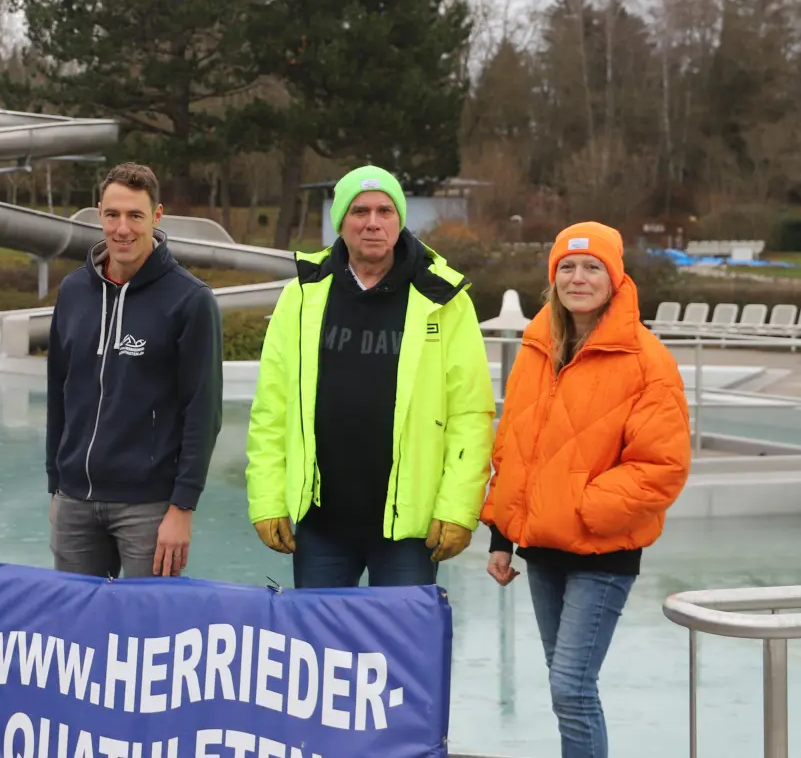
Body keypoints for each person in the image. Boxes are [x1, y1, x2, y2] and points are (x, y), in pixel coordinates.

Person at [481, 222, 691, 758]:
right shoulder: (537, 346)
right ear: (553, 279)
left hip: (601, 547)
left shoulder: (647, 360)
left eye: (592, 266)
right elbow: (514, 446)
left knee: (571, 688)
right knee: (565, 685)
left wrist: (579, 508)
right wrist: (502, 536)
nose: (578, 278)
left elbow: (661, 467)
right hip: (543, 547)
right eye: (567, 268)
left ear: (615, 277)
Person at [244, 164, 495, 588]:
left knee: (400, 653)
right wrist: (267, 499)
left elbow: (470, 416)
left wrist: (457, 509)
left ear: (399, 220)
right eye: (359, 211)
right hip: (321, 525)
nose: (373, 223)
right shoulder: (302, 296)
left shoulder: (443, 299)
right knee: (318, 652)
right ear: (340, 221)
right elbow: (272, 408)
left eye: (385, 210)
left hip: (406, 530)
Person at [45, 162, 223, 579]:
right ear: (99, 214)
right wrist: (56, 483)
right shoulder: (73, 292)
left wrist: (182, 507)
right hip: (75, 502)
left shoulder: (190, 301)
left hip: (148, 507)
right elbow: (58, 393)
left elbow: (203, 412)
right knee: (78, 635)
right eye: (112, 215)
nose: (122, 228)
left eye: (135, 216)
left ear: (156, 217)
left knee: (147, 636)